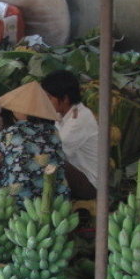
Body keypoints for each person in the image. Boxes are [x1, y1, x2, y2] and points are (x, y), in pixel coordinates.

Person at [0, 81, 70, 202]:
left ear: (19, 109)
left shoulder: (9, 134)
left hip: (19, 201)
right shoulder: (53, 131)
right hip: (57, 199)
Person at [41, 70, 98, 200]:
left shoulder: (79, 120)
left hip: (90, 185)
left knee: (50, 159)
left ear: (65, 98)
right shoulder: (61, 114)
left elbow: (55, 151)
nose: (45, 101)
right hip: (76, 173)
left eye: (49, 97)